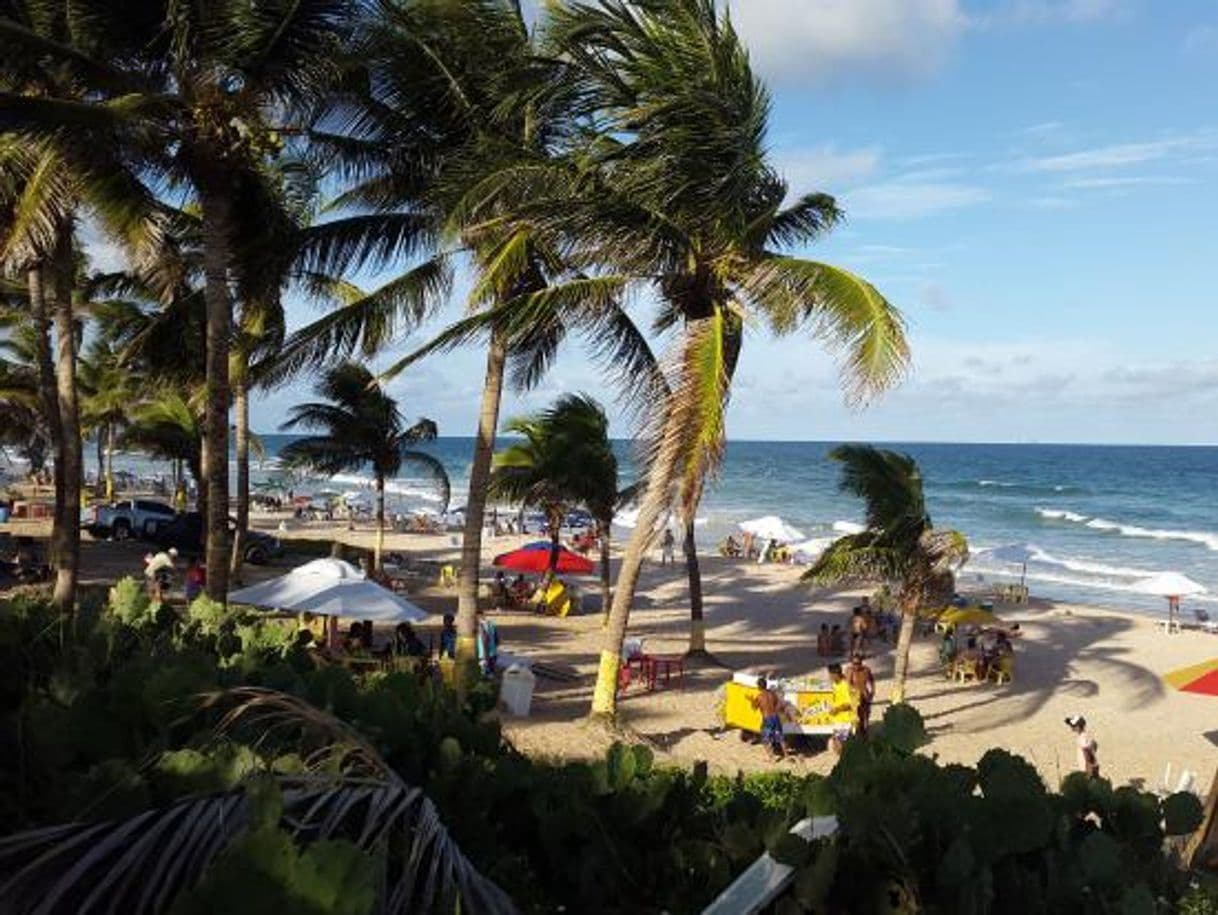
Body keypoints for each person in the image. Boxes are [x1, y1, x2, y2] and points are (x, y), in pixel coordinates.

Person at [749, 676, 786, 758]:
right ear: (766, 685)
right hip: (775, 717)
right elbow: (779, 704)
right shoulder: (772, 694)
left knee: (765, 739)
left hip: (767, 718)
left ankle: (771, 758)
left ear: (758, 687)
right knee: (780, 737)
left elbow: (754, 708)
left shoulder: (759, 697)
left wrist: (751, 700)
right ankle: (787, 755)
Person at [827, 664, 857, 756]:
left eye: (830, 675)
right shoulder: (835, 685)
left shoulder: (845, 686)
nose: (829, 677)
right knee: (837, 743)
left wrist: (837, 709)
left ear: (836, 674)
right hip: (837, 719)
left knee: (841, 745)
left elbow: (850, 704)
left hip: (844, 720)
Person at [848, 654, 876, 735]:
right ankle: (858, 732)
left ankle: (865, 731)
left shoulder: (866, 670)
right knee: (857, 715)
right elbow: (848, 684)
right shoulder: (850, 671)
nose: (856, 665)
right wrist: (853, 692)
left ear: (861, 663)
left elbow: (872, 680)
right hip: (855, 695)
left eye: (858, 663)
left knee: (866, 713)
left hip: (865, 694)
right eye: (854, 663)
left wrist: (872, 691)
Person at [476, 607, 499, 675]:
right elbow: (497, 640)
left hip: (484, 655)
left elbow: (485, 640)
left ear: (477, 618)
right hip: (493, 653)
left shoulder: (480, 626)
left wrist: (486, 657)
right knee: (491, 674)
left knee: (485, 676)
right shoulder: (491, 624)